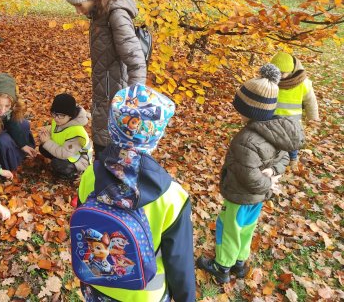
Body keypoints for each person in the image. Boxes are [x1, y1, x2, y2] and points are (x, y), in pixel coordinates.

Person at [76, 84, 195, 302]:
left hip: (97, 283)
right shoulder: (173, 197)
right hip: (146, 294)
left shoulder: (90, 176)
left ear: (112, 126)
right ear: (156, 134)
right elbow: (180, 262)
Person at [197, 64, 305, 284]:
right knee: (246, 229)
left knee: (229, 230)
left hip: (240, 196)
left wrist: (267, 182)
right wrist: (274, 172)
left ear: (248, 110)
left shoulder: (245, 140)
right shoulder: (274, 131)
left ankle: (222, 266)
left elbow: (249, 177)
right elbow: (284, 157)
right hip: (257, 199)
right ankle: (239, 263)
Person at [62, 0, 147, 159]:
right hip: (105, 98)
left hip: (119, 103)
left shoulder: (115, 15)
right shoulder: (100, 14)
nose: (77, 11)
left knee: (113, 159)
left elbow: (136, 62)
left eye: (78, 5)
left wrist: (133, 105)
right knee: (103, 155)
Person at [270, 51, 319, 169]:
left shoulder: (302, 83)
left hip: (292, 120)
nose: (280, 75)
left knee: (292, 141)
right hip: (272, 117)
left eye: (283, 73)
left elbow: (310, 101)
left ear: (291, 71)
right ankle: (272, 157)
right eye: (277, 72)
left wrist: (313, 117)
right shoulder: (270, 81)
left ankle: (293, 159)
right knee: (271, 138)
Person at [38, 93, 92, 179]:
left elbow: (64, 153)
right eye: (54, 114)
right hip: (65, 150)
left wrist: (47, 141)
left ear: (70, 116)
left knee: (57, 164)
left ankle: (74, 173)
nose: (56, 118)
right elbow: (56, 131)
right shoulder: (60, 120)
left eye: (61, 115)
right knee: (42, 148)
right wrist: (46, 131)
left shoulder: (76, 132)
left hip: (79, 160)